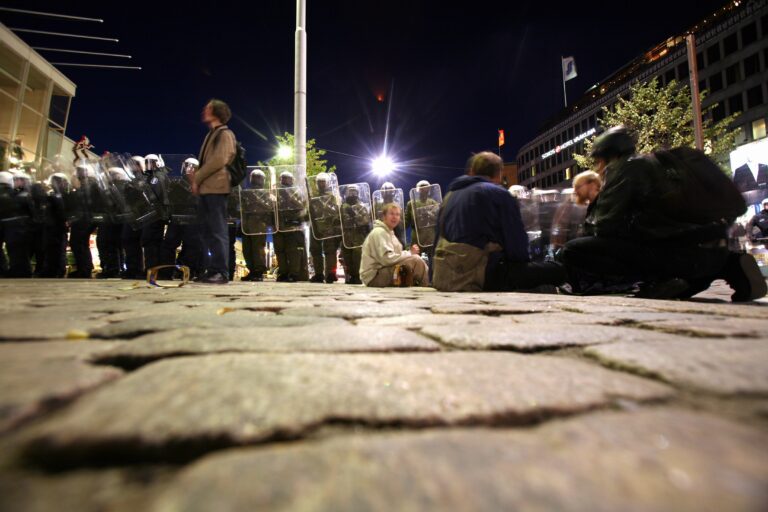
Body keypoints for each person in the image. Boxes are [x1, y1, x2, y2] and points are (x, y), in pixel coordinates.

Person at [561, 125, 766, 301]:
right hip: (711, 248)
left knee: (573, 250)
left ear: (609, 155)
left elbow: (604, 225)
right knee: (677, 269)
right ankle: (728, 265)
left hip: (671, 256)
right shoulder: (663, 163)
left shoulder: (625, 169)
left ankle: (663, 278)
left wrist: (594, 214)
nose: (598, 167)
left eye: (599, 161)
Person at [432, 151, 566, 292]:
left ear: (472, 171)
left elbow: (437, 240)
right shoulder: (499, 194)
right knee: (554, 271)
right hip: (478, 274)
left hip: (444, 275)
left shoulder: (449, 196)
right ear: (498, 174)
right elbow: (517, 246)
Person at [192, 99, 236, 284]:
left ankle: (221, 272)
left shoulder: (225, 134)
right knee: (207, 231)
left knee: (217, 230)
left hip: (216, 188)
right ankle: (211, 270)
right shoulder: (212, 134)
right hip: (207, 188)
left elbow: (219, 159)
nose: (204, 110)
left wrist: (197, 177)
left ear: (217, 112)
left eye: (208, 108)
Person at [360, 203, 428, 287]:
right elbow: (387, 259)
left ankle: (422, 285)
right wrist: (409, 253)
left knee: (415, 259)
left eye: (397, 214)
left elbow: (395, 256)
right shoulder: (379, 232)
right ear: (384, 216)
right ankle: (425, 286)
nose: (394, 217)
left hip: (381, 272)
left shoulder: (389, 232)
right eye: (391, 214)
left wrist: (409, 253)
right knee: (416, 260)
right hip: (374, 276)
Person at [273, 171, 306, 282]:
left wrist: (290, 197)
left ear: (292, 180)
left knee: (293, 251)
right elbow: (271, 206)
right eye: (283, 178)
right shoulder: (275, 192)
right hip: (279, 225)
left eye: (287, 178)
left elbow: (301, 206)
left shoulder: (297, 192)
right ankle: (283, 272)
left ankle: (294, 273)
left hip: (292, 226)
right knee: (280, 251)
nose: (285, 180)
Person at [308, 172, 341, 283]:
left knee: (330, 250)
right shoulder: (313, 197)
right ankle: (318, 274)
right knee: (315, 250)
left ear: (327, 183)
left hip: (329, 226)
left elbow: (337, 212)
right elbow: (309, 212)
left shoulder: (334, 197)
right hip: (315, 226)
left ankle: (331, 273)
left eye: (323, 182)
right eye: (319, 182)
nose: (321, 184)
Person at [240, 169, 270, 281]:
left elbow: (269, 207)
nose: (256, 179)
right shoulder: (245, 192)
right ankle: (252, 270)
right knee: (247, 248)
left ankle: (258, 271)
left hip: (259, 223)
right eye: (254, 177)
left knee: (258, 249)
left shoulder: (266, 193)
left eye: (258, 177)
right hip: (247, 223)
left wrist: (257, 200)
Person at [340, 184, 370, 284]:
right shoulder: (342, 207)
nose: (352, 194)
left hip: (358, 234)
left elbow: (365, 221)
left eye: (354, 192)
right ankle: (350, 276)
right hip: (346, 234)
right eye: (350, 192)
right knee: (347, 256)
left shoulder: (361, 207)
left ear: (357, 193)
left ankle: (357, 276)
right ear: (346, 193)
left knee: (357, 256)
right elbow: (338, 220)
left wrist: (355, 215)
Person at [404, 180, 440, 264]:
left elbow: (438, 219)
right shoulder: (411, 204)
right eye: (422, 188)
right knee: (415, 262)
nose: (424, 190)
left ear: (429, 189)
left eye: (426, 188)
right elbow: (406, 221)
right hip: (417, 238)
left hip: (431, 238)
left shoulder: (433, 203)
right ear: (418, 190)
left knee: (434, 263)